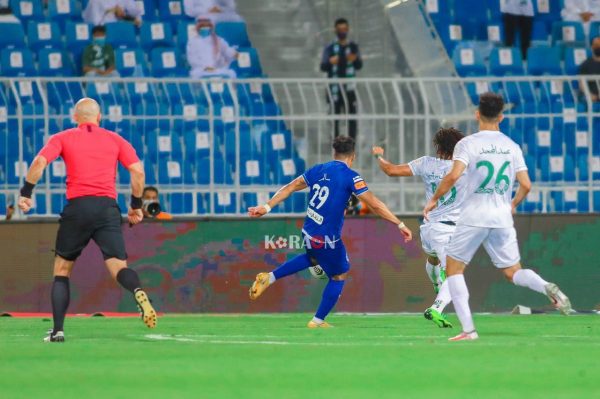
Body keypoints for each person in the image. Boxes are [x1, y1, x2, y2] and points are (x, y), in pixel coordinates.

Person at [423, 92, 572, 342]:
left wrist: (434, 199)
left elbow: (452, 176)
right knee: (513, 271)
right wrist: (512, 204)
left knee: (454, 269)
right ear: (501, 116)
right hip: (501, 216)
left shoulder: (467, 144)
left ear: (477, 114)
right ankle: (546, 286)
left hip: (473, 215)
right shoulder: (511, 146)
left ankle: (468, 330)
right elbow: (525, 184)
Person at [17, 98, 157, 343]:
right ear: (99, 117)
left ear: (75, 117)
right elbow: (137, 171)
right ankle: (138, 291)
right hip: (106, 208)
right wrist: (136, 206)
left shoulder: (62, 137)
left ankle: (58, 331)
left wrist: (26, 193)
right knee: (118, 267)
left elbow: (40, 162)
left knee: (62, 270)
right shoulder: (115, 139)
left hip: (78, 208)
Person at [248, 136, 413, 328]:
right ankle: (317, 321)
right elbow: (375, 205)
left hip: (308, 231)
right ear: (352, 157)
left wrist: (266, 207)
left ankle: (270, 277)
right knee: (339, 275)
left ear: (334, 153)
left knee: (313, 258)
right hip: (326, 238)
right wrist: (399, 224)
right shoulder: (351, 177)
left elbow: (290, 187)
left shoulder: (318, 169)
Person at [372, 127, 467, 329]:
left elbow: (391, 170)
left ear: (438, 146)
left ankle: (436, 282)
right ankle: (437, 308)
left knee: (432, 259)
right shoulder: (464, 168)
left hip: (428, 229)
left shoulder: (426, 163)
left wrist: (379, 156)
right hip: (450, 231)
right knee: (455, 274)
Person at [320, 18, 363, 140]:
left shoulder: (353, 47)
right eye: (340, 30)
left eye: (344, 29)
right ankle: (335, 145)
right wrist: (330, 62)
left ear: (348, 29)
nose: (342, 32)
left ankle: (351, 145)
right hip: (334, 89)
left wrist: (354, 59)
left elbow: (359, 65)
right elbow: (323, 66)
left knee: (352, 118)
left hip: (349, 88)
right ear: (335, 30)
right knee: (334, 119)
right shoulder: (330, 48)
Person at [578, 36, 600, 101]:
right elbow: (582, 84)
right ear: (592, 47)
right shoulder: (585, 64)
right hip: (590, 95)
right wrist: (590, 95)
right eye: (596, 45)